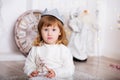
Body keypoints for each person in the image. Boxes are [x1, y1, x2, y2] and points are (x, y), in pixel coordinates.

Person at [24, 9, 75, 80]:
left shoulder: (64, 50)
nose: (49, 33)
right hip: (40, 76)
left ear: (60, 32)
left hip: (58, 77)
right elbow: (29, 64)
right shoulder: (36, 48)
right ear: (40, 31)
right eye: (46, 30)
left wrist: (56, 72)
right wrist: (31, 71)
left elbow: (69, 69)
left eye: (54, 30)